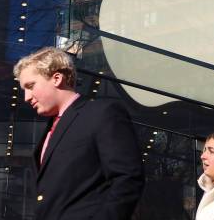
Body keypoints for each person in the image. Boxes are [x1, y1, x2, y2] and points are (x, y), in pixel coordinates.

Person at [13, 47, 144, 220]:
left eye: (30, 86)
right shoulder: (51, 129)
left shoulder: (102, 113)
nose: (26, 97)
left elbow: (128, 178)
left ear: (57, 78)